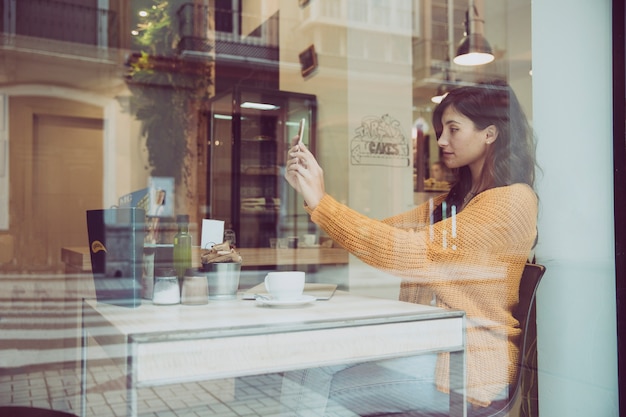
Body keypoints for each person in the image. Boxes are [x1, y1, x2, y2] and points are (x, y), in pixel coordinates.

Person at [282, 80, 538, 416]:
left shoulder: (512, 201)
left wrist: (323, 204)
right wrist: (314, 195)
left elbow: (413, 251)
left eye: (453, 128)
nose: (441, 140)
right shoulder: (457, 202)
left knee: (319, 383)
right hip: (432, 346)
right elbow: (384, 232)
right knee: (307, 362)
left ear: (489, 133)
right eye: (440, 129)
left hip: (468, 368)